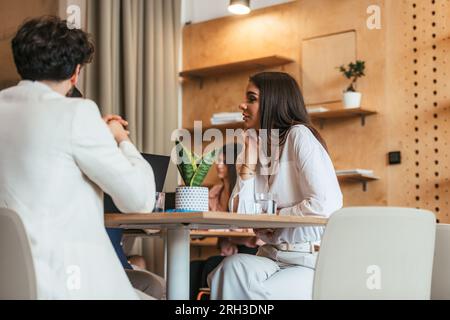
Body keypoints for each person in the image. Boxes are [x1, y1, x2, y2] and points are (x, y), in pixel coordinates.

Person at [0, 16, 156, 299]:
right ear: (75, 72)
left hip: (11, 282)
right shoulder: (78, 113)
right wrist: (120, 138)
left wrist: (95, 130)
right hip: (73, 284)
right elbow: (141, 201)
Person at [207, 72, 343, 300]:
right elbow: (241, 215)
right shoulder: (253, 147)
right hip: (270, 256)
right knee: (229, 269)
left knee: (258, 296)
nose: (242, 104)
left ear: (273, 101)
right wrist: (248, 164)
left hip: (309, 261)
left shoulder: (299, 136)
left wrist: (277, 217)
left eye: (251, 98)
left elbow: (325, 204)